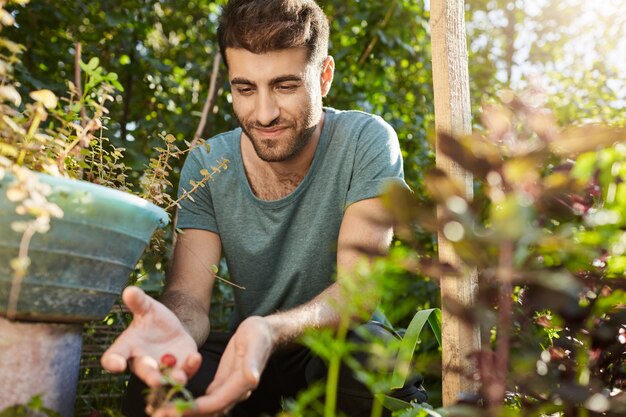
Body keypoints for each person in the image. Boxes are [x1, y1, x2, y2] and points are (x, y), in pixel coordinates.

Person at [101, 0, 427, 416]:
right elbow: (189, 295)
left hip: (334, 338)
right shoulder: (207, 165)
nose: (264, 113)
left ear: (324, 77)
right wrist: (178, 332)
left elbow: (359, 291)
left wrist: (270, 329)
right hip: (252, 347)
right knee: (165, 385)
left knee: (367, 364)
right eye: (245, 89)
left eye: (285, 86)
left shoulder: (365, 140)